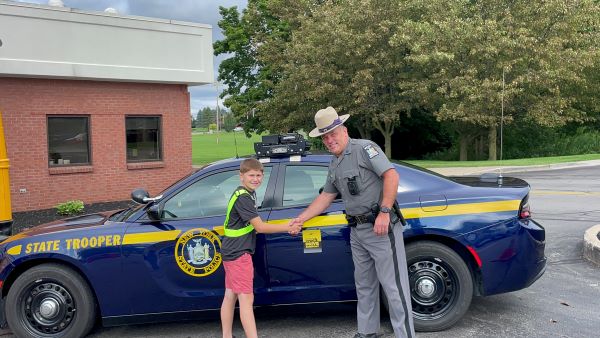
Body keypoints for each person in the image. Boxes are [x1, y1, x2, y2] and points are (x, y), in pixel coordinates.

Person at [290, 107, 415, 338]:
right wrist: (301, 218)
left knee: (394, 287)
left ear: (344, 130)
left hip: (380, 228)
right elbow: (326, 197)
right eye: (325, 137)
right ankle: (368, 332)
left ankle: (405, 335)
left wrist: (385, 212)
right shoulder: (334, 163)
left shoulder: (365, 149)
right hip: (357, 230)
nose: (329, 140)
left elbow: (391, 175)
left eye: (332, 134)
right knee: (365, 285)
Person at [220, 158, 301, 338]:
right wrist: (288, 227)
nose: (255, 179)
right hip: (239, 253)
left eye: (259, 175)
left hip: (230, 251)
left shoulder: (244, 193)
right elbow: (260, 227)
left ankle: (226, 335)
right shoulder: (244, 198)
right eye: (251, 175)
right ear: (241, 176)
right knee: (246, 299)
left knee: (230, 295)